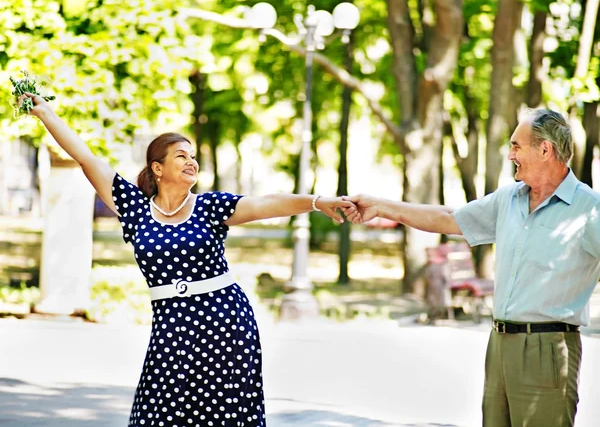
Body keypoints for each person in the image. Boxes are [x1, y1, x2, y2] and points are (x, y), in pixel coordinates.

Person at [19, 92, 354, 427]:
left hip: (225, 323)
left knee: (224, 416)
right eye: (181, 156)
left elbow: (268, 203)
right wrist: (46, 113)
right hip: (171, 325)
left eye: (193, 156)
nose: (191, 161)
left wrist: (317, 201)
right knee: (159, 414)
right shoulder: (134, 209)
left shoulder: (210, 207)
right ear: (157, 167)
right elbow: (87, 159)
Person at [342, 108, 600, 427]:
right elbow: (449, 218)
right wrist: (382, 206)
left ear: (545, 149)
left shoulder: (589, 208)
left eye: (517, 146)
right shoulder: (509, 199)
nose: (510, 155)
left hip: (547, 347)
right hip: (500, 344)